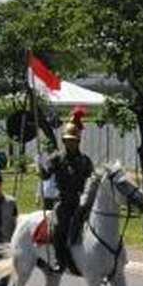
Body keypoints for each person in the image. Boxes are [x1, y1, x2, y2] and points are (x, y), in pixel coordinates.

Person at [38, 107, 93, 274]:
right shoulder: (57, 158)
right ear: (64, 141)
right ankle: (59, 261)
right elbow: (46, 176)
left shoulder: (85, 161)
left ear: (78, 141)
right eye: (68, 140)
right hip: (63, 201)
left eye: (73, 140)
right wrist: (41, 169)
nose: (70, 143)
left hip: (81, 201)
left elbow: (91, 180)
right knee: (59, 229)